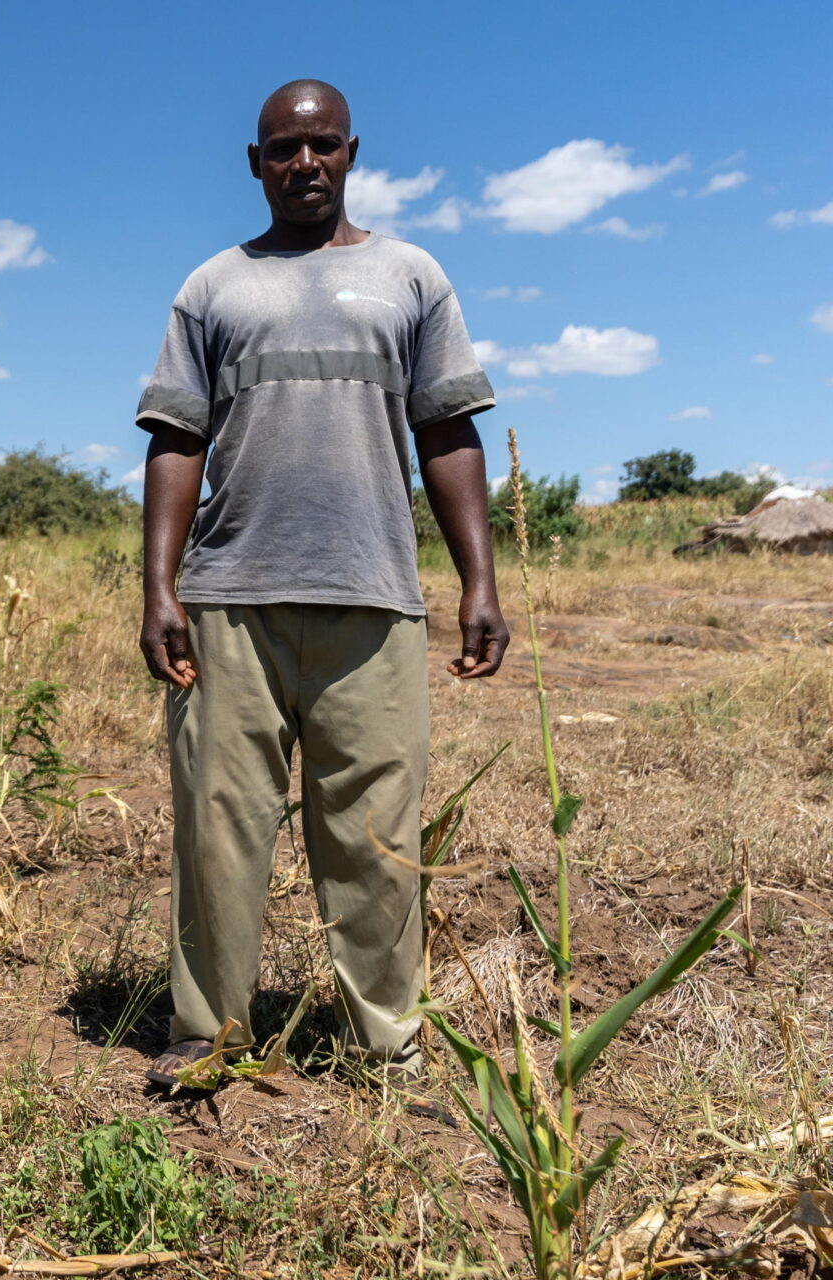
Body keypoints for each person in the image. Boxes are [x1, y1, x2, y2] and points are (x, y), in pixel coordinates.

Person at [135, 78, 508, 1087]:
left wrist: (480, 580)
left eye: (323, 146)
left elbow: (447, 431)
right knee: (219, 828)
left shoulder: (411, 276)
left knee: (378, 836)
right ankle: (210, 1034)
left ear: (352, 153)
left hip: (374, 597)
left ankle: (387, 1044)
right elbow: (176, 438)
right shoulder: (214, 287)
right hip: (229, 600)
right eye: (283, 150)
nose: (305, 164)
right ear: (255, 165)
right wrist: (157, 587)